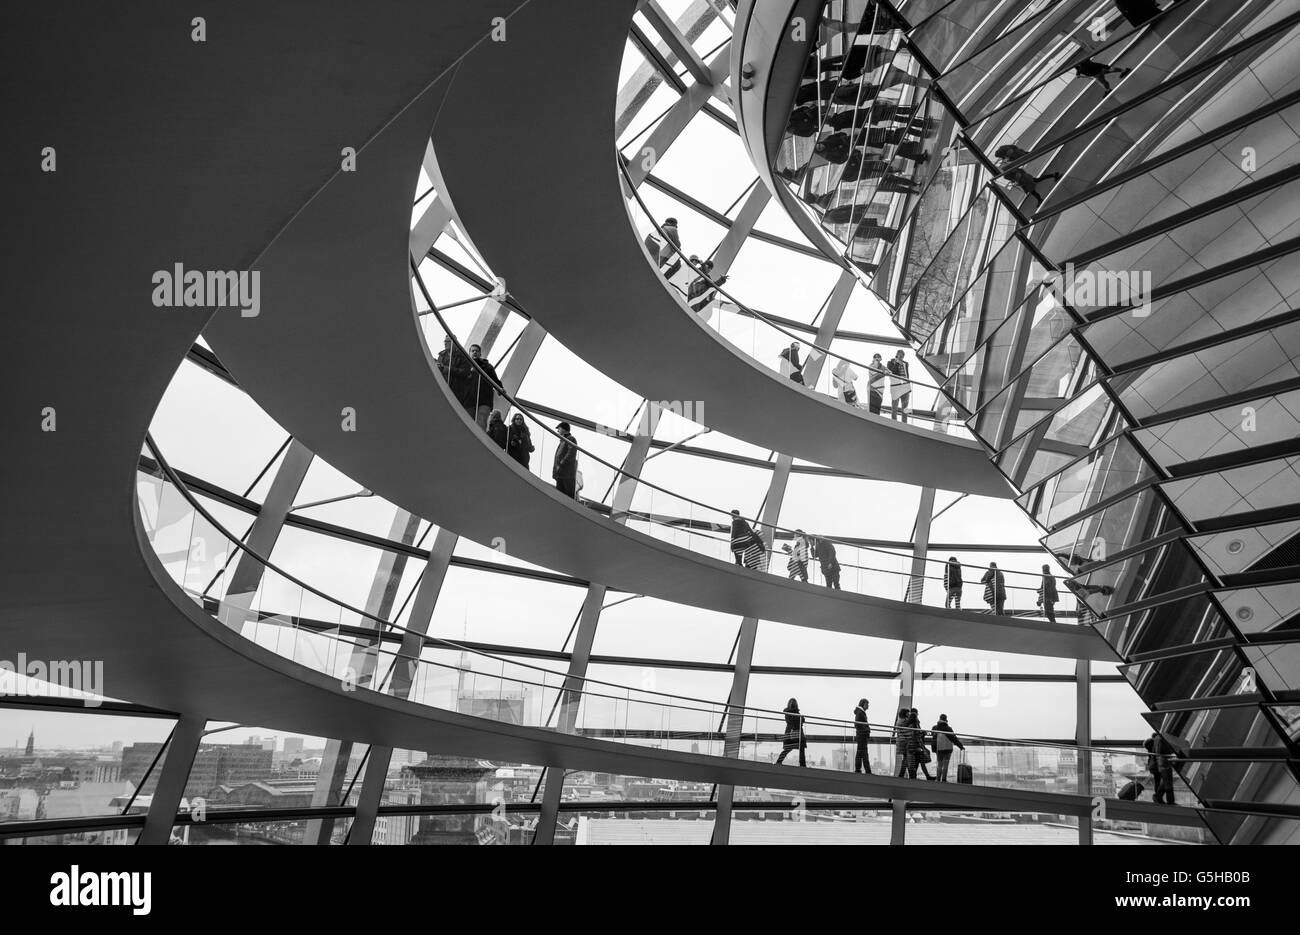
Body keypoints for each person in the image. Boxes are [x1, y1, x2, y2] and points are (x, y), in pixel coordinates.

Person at [435, 335, 475, 416]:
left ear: (454, 343)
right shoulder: (442, 355)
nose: (445, 343)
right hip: (442, 387)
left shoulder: (463, 356)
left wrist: (448, 369)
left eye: (448, 342)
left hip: (456, 391)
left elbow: (465, 372)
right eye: (445, 341)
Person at [468, 343, 503, 431]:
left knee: (481, 422)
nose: (475, 352)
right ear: (469, 353)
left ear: (480, 354)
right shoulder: (466, 365)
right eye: (473, 351)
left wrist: (500, 388)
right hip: (469, 398)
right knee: (467, 421)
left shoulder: (487, 366)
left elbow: (495, 379)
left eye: (477, 351)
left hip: (484, 399)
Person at [930, 713, 965, 782]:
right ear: (946, 720)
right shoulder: (948, 728)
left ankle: (937, 779)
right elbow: (954, 739)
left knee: (939, 764)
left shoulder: (935, 727)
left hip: (939, 749)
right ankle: (944, 779)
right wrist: (961, 746)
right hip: (948, 749)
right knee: (946, 764)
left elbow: (932, 736)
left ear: (939, 719)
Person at [1144, 731, 1176, 804]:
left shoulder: (1155, 740)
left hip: (1156, 764)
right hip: (1162, 763)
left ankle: (1159, 798)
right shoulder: (1160, 739)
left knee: (1162, 782)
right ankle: (1161, 798)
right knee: (1166, 782)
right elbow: (1163, 751)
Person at [775, 698, 807, 766]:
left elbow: (799, 721)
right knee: (798, 747)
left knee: (789, 748)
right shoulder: (791, 713)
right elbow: (800, 721)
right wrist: (800, 719)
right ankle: (802, 765)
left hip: (791, 733)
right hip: (793, 733)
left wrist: (799, 720)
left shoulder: (789, 712)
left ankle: (778, 762)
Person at [552, 421, 578, 499]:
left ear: (564, 429)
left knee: (568, 497)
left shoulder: (570, 439)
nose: (558, 431)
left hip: (566, 475)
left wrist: (561, 464)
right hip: (561, 474)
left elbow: (571, 453)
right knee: (560, 497)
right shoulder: (563, 440)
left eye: (559, 428)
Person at [886, 350, 911, 422]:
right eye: (900, 356)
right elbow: (893, 372)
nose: (901, 357)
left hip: (905, 387)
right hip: (896, 387)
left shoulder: (905, 364)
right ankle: (894, 423)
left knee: (905, 408)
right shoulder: (890, 363)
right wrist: (897, 363)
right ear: (896, 355)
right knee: (894, 407)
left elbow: (907, 375)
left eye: (902, 356)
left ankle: (904, 424)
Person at [909, 708, 934, 780]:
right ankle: (914, 777)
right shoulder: (914, 723)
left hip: (916, 745)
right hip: (916, 745)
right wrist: (922, 733)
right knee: (917, 761)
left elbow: (916, 733)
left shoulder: (912, 723)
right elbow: (915, 734)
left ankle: (925, 776)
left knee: (919, 761)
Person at [894, 707, 917, 779]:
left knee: (906, 759)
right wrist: (912, 719)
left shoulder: (901, 720)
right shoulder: (902, 721)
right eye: (908, 713)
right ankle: (911, 776)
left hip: (904, 743)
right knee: (909, 760)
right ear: (905, 713)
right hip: (906, 743)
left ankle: (901, 775)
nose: (909, 714)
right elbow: (907, 727)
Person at [853, 698, 871, 774]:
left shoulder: (860, 712)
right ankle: (867, 771)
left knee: (860, 753)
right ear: (863, 704)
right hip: (862, 736)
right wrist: (866, 731)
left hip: (861, 736)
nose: (868, 706)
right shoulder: (860, 713)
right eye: (867, 704)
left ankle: (858, 769)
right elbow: (857, 724)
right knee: (864, 753)